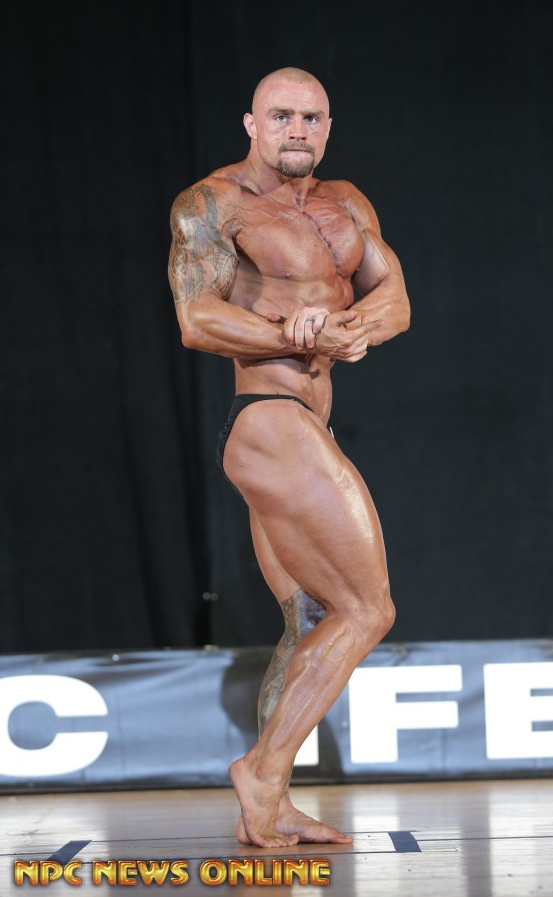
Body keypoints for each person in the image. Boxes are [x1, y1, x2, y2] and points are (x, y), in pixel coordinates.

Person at [168, 67, 410, 848]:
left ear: (328, 127)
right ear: (252, 123)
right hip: (268, 418)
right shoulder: (214, 203)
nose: (296, 129)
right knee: (369, 608)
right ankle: (262, 771)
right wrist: (290, 332)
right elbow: (197, 319)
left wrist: (349, 328)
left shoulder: (348, 203)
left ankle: (269, 805)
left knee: (313, 617)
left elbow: (396, 300)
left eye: (311, 117)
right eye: (281, 116)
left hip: (309, 423)